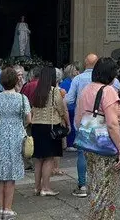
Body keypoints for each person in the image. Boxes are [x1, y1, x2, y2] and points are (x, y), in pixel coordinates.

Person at [74, 57, 120, 220]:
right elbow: (111, 124)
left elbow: (78, 119)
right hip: (106, 146)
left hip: (89, 146)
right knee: (107, 190)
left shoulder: (86, 89)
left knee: (95, 186)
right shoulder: (108, 91)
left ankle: (95, 216)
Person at [0, 67, 31, 218]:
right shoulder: (22, 98)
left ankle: (0, 209)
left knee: (0, 175)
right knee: (11, 175)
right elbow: (28, 119)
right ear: (16, 81)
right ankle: (8, 209)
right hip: (16, 136)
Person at [30, 66, 69, 196]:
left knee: (38, 158)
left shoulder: (36, 90)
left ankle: (36, 187)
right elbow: (61, 109)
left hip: (36, 126)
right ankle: (46, 187)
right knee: (49, 158)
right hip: (50, 127)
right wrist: (67, 123)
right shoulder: (54, 91)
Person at [66, 53, 99, 198]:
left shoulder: (78, 79)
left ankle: (82, 185)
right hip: (99, 119)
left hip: (82, 120)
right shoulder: (101, 79)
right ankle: (97, 184)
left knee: (82, 153)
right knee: (98, 152)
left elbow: (69, 99)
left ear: (85, 63)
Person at [60, 64, 79, 149]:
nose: (77, 72)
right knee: (71, 124)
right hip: (70, 106)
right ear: (71, 71)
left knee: (70, 124)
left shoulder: (65, 82)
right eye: (75, 70)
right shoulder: (70, 82)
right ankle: (70, 144)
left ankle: (69, 143)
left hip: (70, 106)